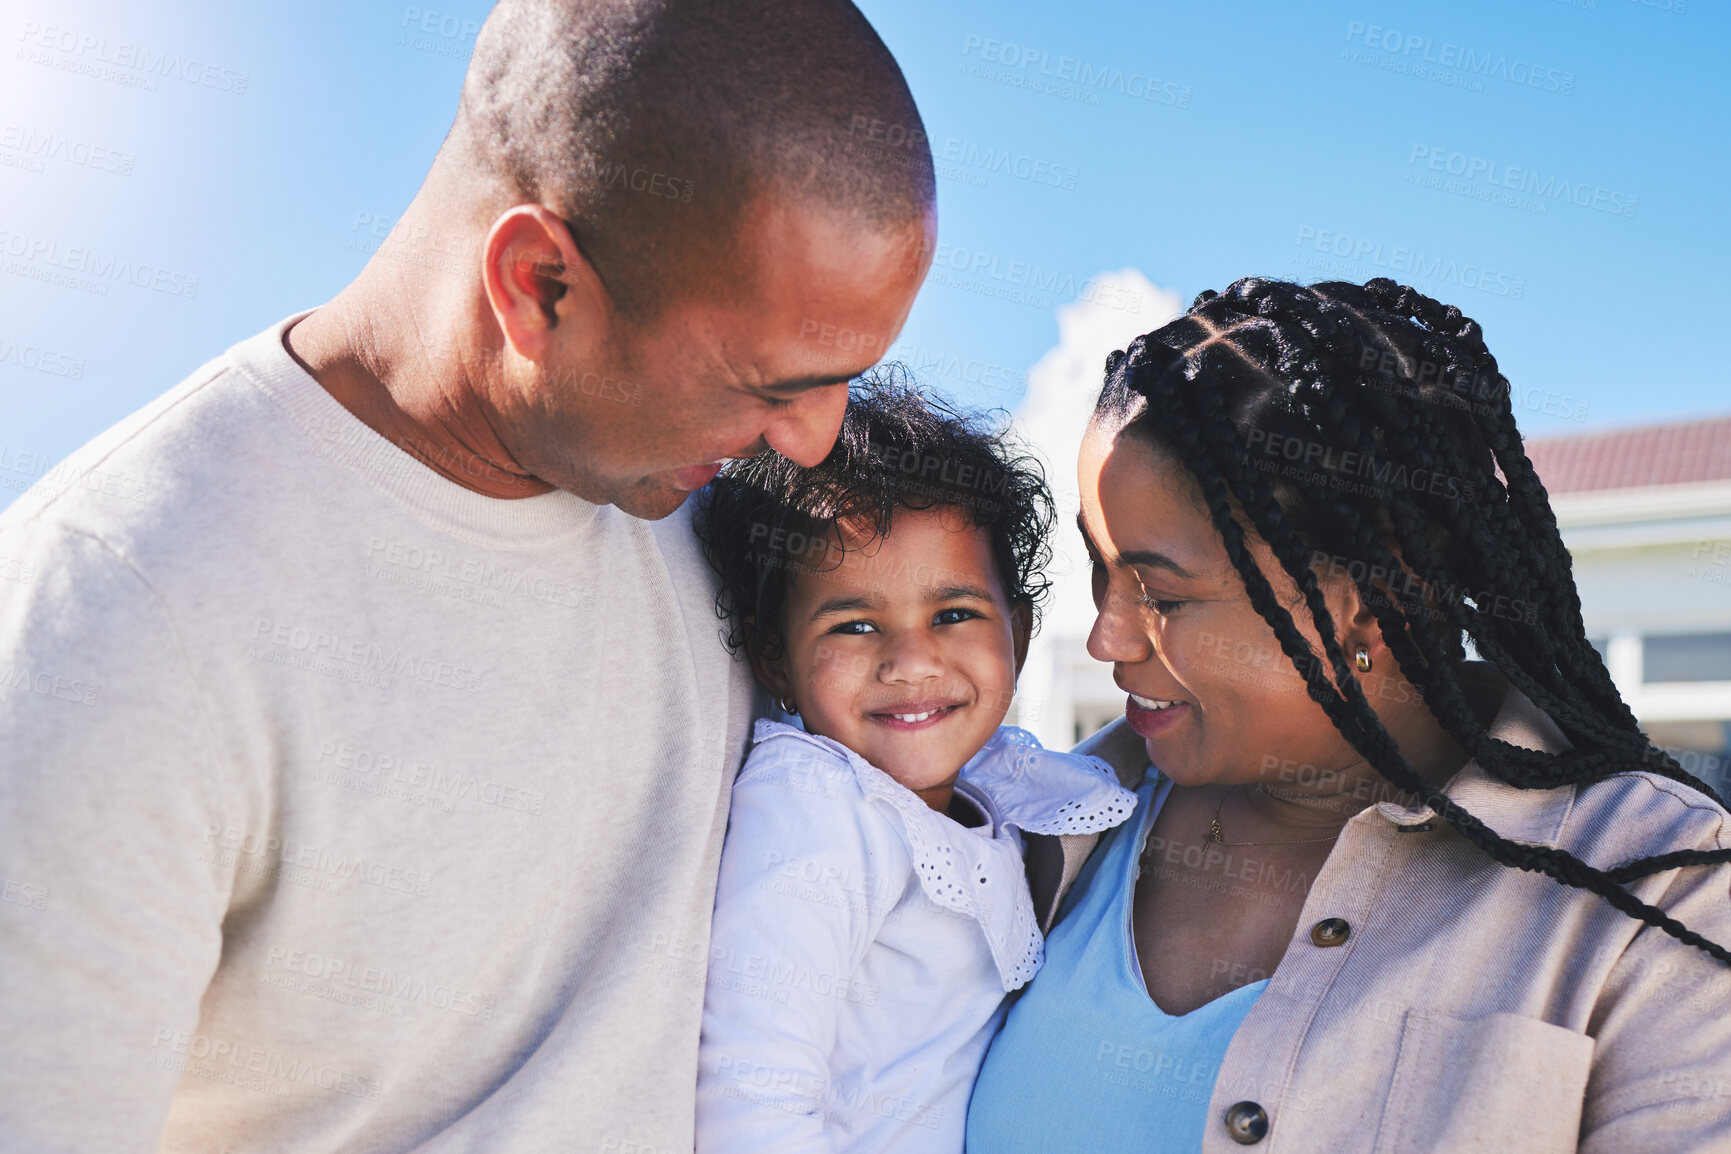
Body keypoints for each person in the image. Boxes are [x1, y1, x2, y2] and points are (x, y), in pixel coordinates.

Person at [0, 1, 933, 1149]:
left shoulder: (726, 523)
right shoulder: (118, 609)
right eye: (771, 380)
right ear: (539, 282)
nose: (814, 442)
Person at [966, 277, 1731, 1153]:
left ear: (1375, 598)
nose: (1106, 639)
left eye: (1161, 594)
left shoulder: (1653, 887)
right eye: (1101, 569)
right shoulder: (1030, 832)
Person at [689, 381, 1135, 1152]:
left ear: (1017, 636)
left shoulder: (990, 787)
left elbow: (1121, 773)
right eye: (855, 625)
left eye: (954, 615)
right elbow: (752, 1086)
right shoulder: (816, 810)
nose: (911, 660)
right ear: (776, 659)